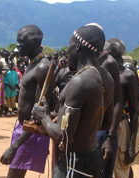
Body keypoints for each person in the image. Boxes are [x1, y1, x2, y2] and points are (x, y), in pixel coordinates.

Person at [32, 24, 114, 178]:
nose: (68, 51)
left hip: (74, 163)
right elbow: (106, 123)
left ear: (78, 46)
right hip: (92, 156)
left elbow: (64, 138)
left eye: (69, 45)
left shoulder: (80, 81)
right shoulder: (106, 77)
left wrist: (43, 117)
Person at [0, 25, 55, 178]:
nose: (18, 46)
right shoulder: (32, 64)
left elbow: (38, 114)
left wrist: (15, 147)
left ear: (36, 42)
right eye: (17, 42)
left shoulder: (42, 67)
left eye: (22, 42)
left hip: (29, 131)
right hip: (23, 128)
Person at [104, 38, 138, 178]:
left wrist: (132, 144)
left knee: (121, 169)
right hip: (103, 126)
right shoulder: (103, 73)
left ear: (116, 54)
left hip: (121, 127)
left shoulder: (127, 76)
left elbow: (135, 110)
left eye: (108, 52)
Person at [96, 39, 123, 178]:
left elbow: (118, 101)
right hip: (90, 131)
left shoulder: (109, 63)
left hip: (103, 132)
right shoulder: (92, 62)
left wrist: (110, 138)